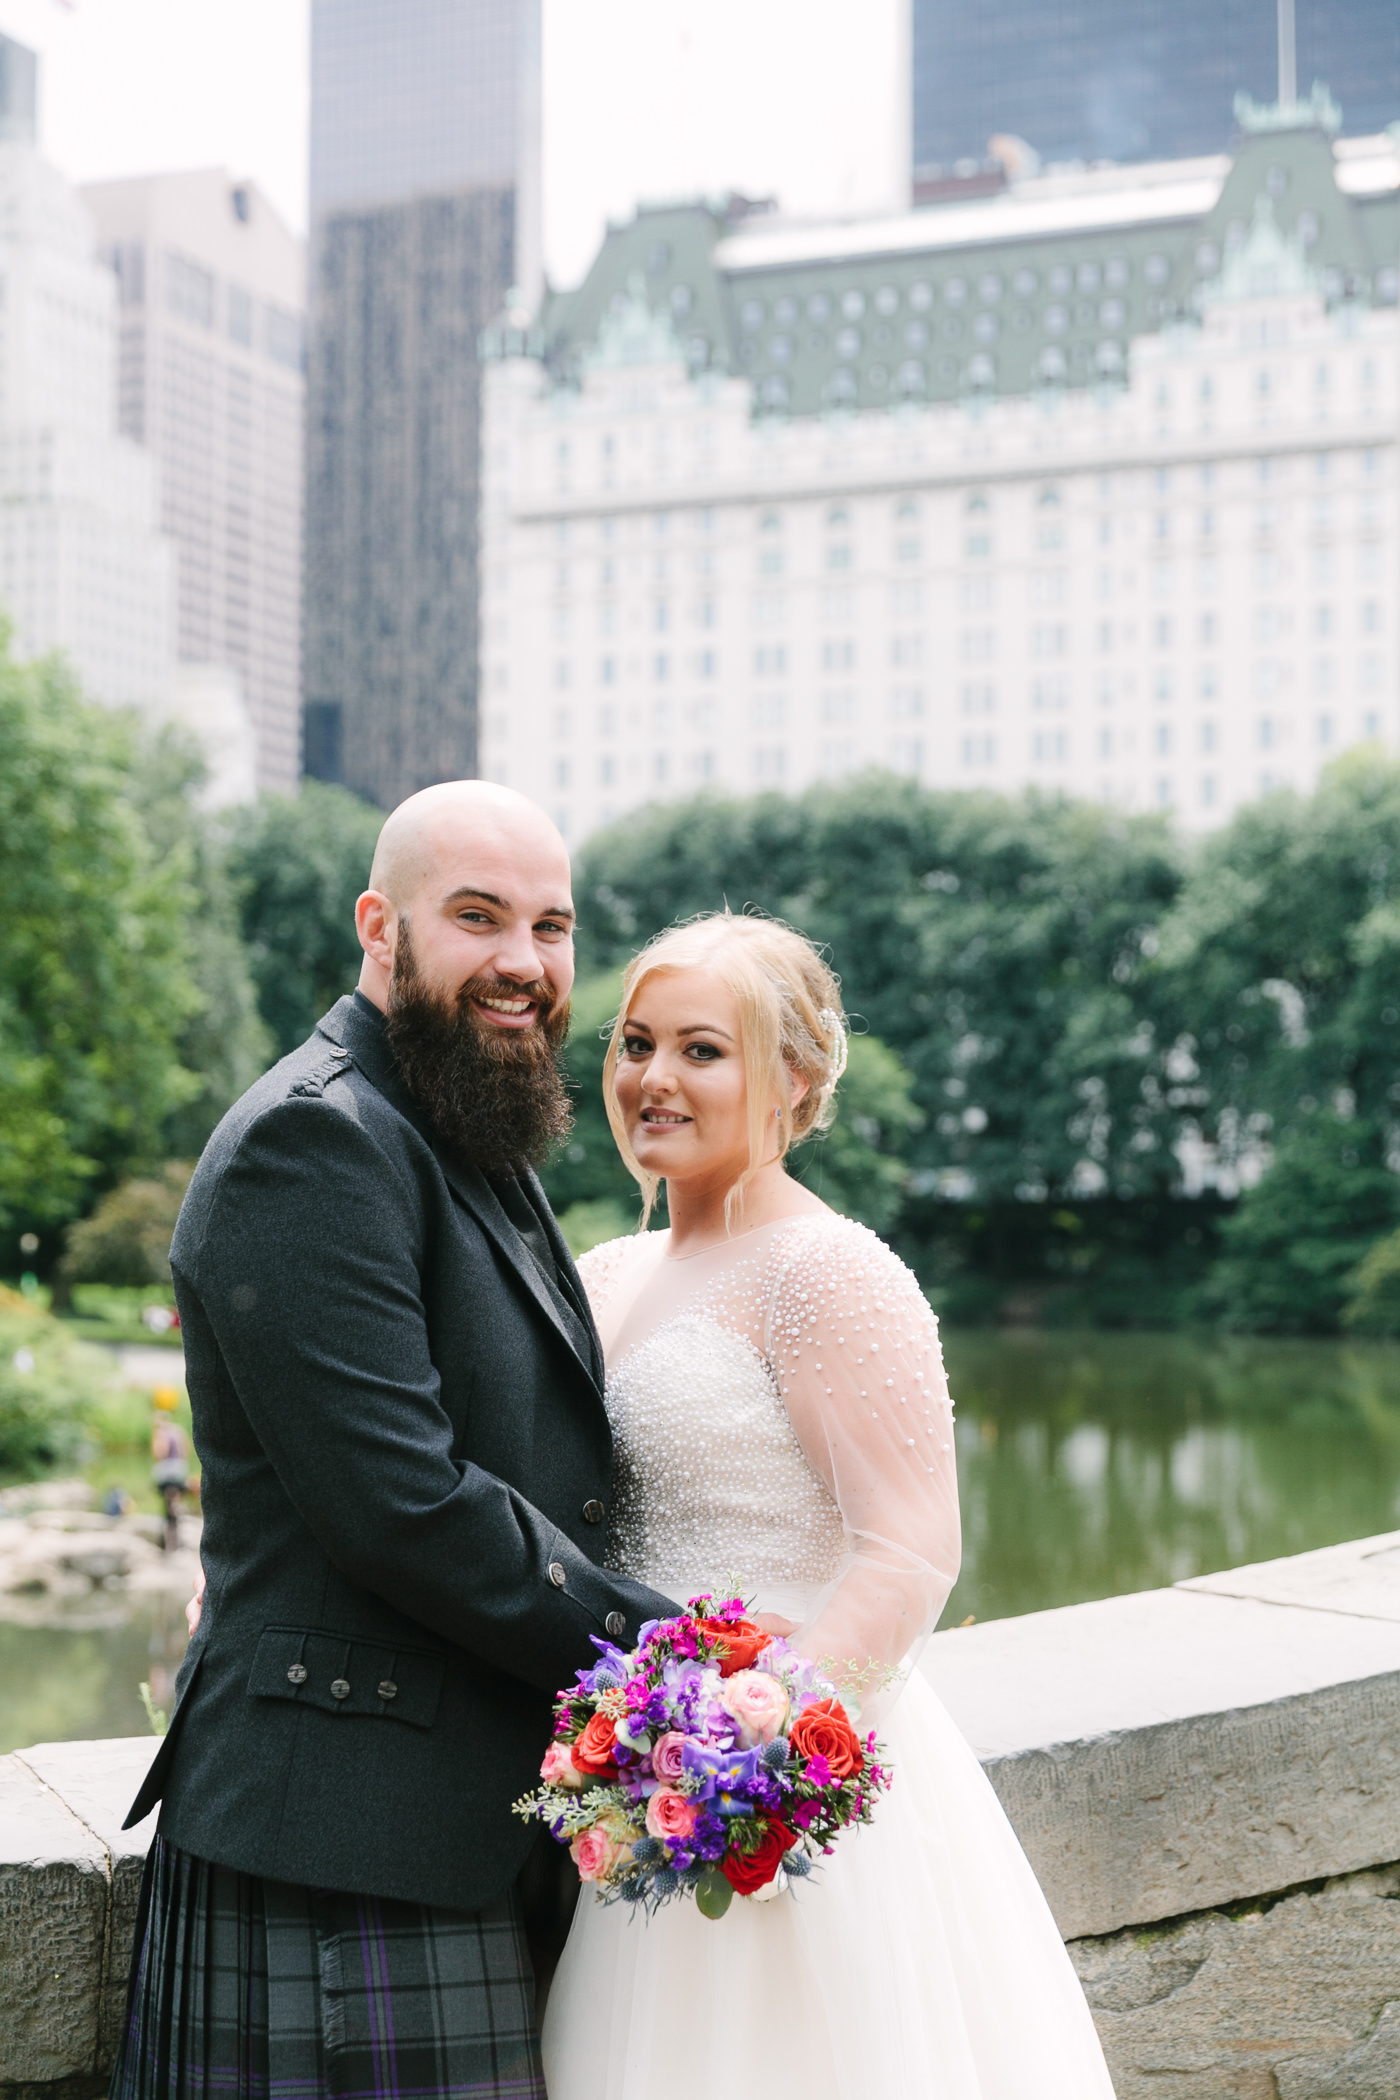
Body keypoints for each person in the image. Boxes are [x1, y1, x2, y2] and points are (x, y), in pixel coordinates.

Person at [112, 781, 675, 2100]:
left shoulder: (456, 1121)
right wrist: (674, 1659)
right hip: (336, 1846)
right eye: (478, 918)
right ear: (381, 925)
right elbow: (398, 1504)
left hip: (453, 1823)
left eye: (552, 926)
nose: (524, 964)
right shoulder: (317, 1138)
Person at [541, 912, 1116, 2099]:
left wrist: (742, 1762)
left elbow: (908, 1552)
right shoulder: (600, 1272)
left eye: (702, 1050)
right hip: (631, 1788)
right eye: (636, 1042)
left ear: (792, 1078)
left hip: (781, 1806)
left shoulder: (831, 1270)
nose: (652, 1077)